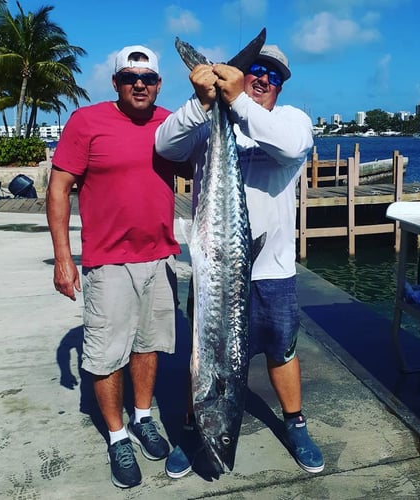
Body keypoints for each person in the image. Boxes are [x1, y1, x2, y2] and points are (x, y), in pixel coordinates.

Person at [155, 43, 325, 477]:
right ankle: (195, 427)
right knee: (204, 353)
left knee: (281, 350)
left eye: (275, 75)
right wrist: (203, 102)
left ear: (281, 86)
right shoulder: (208, 123)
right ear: (239, 73)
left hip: (273, 269)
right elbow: (165, 145)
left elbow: (290, 147)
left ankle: (295, 423)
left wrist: (236, 101)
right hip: (216, 268)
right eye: (256, 70)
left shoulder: (290, 121)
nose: (265, 78)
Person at [46, 45, 186, 489]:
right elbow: (59, 188)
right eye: (130, 78)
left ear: (159, 84)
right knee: (106, 354)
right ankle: (117, 434)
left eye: (146, 78)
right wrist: (64, 259)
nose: (139, 84)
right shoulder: (86, 122)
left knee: (148, 346)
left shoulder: (171, 123)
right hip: (107, 263)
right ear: (116, 83)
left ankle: (143, 417)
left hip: (160, 258)